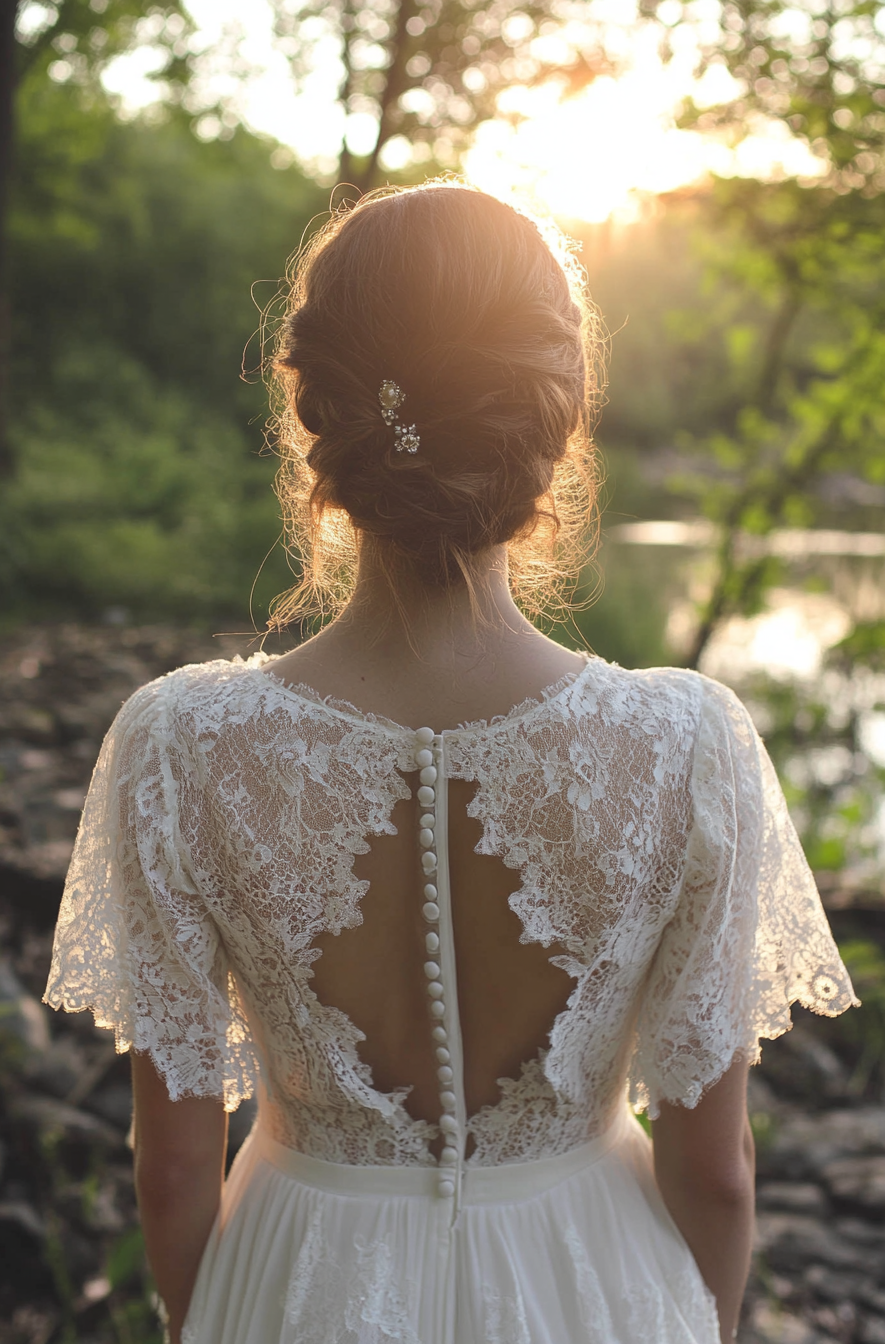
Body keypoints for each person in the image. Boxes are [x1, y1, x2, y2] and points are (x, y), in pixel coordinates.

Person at [44, 182, 857, 1344]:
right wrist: (708, 1323)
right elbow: (714, 1165)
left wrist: (206, 1319)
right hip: (591, 1284)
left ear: (315, 407)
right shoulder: (690, 744)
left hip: (299, 1282)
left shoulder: (179, 746)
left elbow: (172, 1169)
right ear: (557, 416)